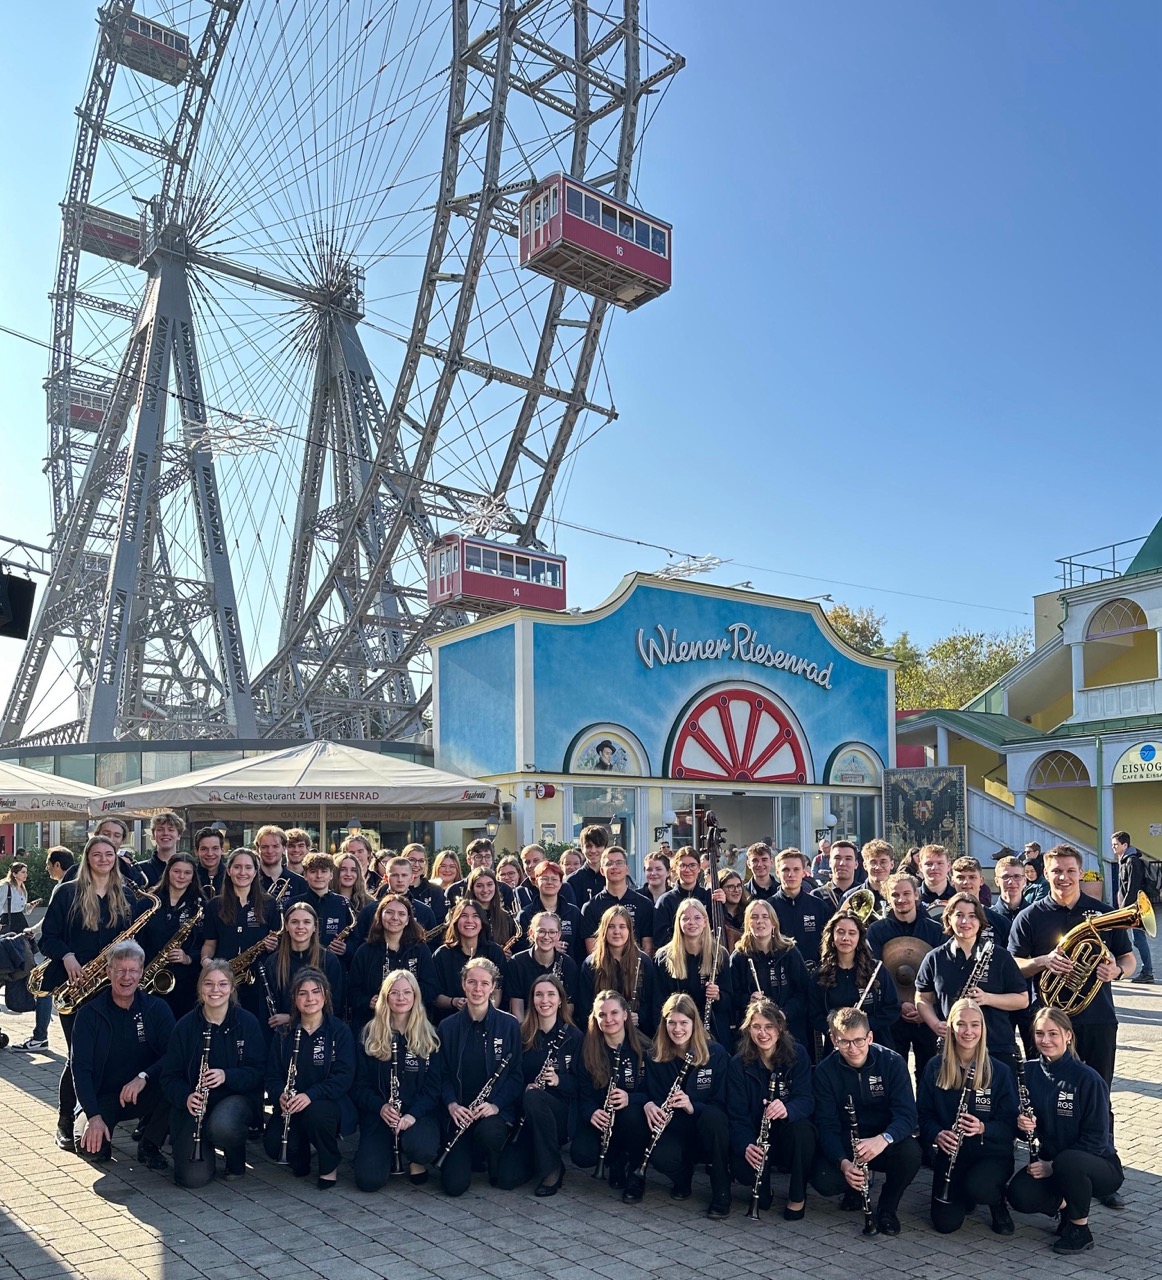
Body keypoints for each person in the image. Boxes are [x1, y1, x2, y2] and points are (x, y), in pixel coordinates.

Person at [39, 833, 146, 1151]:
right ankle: (65, 1122)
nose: (103, 859)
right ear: (87, 859)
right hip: (73, 986)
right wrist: (68, 955)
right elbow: (47, 938)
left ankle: (98, 1115)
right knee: (78, 1058)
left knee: (110, 1053)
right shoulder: (67, 892)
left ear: (116, 859)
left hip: (110, 988)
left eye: (109, 854)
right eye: (96, 854)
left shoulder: (124, 895)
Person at [1006, 1007, 1124, 1253]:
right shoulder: (1027, 1072)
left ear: (1068, 1036)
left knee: (1070, 1162)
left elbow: (1097, 1140)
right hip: (1055, 1163)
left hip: (1097, 1165)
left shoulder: (1088, 1078)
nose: (1045, 1040)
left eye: (1053, 1033)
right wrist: (1021, 1126)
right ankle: (1068, 1208)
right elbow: (1026, 1133)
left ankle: (1080, 1229)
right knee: (1019, 1194)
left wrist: (1052, 1166)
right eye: (1039, 1034)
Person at [810, 1006, 922, 1235]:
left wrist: (883, 1139)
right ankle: (852, 1188)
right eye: (844, 1042)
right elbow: (826, 1125)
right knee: (824, 1181)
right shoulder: (824, 1072)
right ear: (833, 1040)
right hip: (847, 1143)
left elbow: (907, 1116)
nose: (853, 1049)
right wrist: (843, 1163)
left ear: (870, 1037)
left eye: (859, 1041)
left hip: (882, 1141)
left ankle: (887, 1208)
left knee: (911, 1153)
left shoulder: (893, 1063)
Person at [69, 940, 175, 1169]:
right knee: (91, 1151)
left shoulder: (156, 1008)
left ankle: (150, 1145)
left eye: (133, 970)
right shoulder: (89, 1014)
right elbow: (81, 1070)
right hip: (102, 1097)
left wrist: (144, 1076)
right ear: (108, 972)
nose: (127, 977)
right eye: (120, 970)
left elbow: (174, 1055)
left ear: (141, 972)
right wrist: (94, 1116)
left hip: (143, 1092)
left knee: (175, 1084)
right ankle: (92, 1125)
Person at [917, 997, 1018, 1235]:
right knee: (945, 1225)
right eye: (961, 1024)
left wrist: (984, 1128)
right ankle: (964, 1191)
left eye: (975, 1024)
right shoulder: (934, 1067)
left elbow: (1010, 1125)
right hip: (953, 1155)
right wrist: (937, 1134)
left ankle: (996, 1201)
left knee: (980, 1188)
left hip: (991, 1154)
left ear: (983, 1029)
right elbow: (923, 1115)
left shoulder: (1000, 1071)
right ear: (951, 1027)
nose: (968, 1031)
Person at [161, 959, 265, 1187]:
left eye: (222, 984)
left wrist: (227, 1076)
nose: (215, 990)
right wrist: (186, 1097)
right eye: (208, 984)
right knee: (192, 1179)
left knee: (223, 1126)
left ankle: (234, 1155)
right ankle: (204, 1145)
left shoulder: (247, 1023)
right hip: (194, 1105)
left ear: (232, 988)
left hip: (235, 1101)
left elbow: (258, 1073)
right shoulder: (185, 1027)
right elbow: (169, 1078)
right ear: (200, 989)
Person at [633, 992, 731, 1216]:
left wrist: (693, 1105)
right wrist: (650, 1103)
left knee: (714, 1119)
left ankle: (721, 1190)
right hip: (675, 1127)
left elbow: (723, 1101)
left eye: (684, 1023)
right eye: (672, 1023)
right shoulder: (655, 1055)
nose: (677, 1029)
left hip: (706, 1126)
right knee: (660, 1155)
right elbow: (652, 1093)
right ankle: (682, 1176)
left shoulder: (715, 1053)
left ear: (694, 1023)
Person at [915, 892, 1028, 1078]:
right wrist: (935, 1024)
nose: (965, 921)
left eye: (972, 916)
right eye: (959, 915)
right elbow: (922, 998)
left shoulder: (999, 956)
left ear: (980, 921)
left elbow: (1022, 1000)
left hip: (995, 1045)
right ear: (949, 919)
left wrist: (987, 998)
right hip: (953, 1047)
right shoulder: (935, 958)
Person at [436, 957, 523, 1197]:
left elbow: (516, 1076)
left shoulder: (509, 1024)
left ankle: (491, 1152)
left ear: (493, 986)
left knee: (491, 1135)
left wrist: (495, 1105)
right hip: (460, 1114)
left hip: (491, 1113)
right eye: (472, 982)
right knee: (454, 1186)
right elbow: (441, 1075)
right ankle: (471, 1153)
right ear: (463, 984)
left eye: (484, 983)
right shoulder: (447, 1026)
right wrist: (452, 1104)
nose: (478, 988)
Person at [264, 967, 354, 1186]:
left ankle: (329, 1164)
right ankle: (304, 1146)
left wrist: (310, 1095)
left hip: (327, 1105)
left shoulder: (339, 1031)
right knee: (274, 1145)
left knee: (317, 1115)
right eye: (303, 993)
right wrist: (280, 1096)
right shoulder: (285, 1033)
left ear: (325, 996)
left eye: (316, 992)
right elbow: (272, 1077)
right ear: (295, 999)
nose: (310, 998)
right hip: (292, 1107)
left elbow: (343, 1077)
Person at [352, 969, 442, 1190]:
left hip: (417, 1115)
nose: (401, 998)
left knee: (422, 1149)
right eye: (394, 993)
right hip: (380, 1115)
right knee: (368, 1181)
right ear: (385, 997)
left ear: (415, 996)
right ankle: (387, 1150)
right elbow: (358, 1086)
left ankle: (413, 1157)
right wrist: (381, 1107)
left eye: (407, 992)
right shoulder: (368, 1034)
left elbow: (434, 1088)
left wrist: (412, 1115)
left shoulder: (430, 1035)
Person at [727, 997, 815, 1219]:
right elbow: (737, 1115)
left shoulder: (798, 1055)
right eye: (756, 1027)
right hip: (756, 1135)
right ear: (748, 1029)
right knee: (748, 1179)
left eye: (769, 1027)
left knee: (803, 1130)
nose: (763, 1034)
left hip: (787, 1134)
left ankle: (797, 1195)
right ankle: (764, 1187)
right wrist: (746, 1144)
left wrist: (788, 1109)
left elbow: (806, 1099)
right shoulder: (738, 1064)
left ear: (780, 1028)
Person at [502, 972, 582, 1196]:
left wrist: (558, 1080)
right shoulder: (522, 1035)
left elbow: (582, 1085)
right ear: (532, 1000)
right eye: (538, 995)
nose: (544, 1000)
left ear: (560, 1000)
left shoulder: (573, 1036)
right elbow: (510, 1077)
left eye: (550, 994)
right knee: (505, 1179)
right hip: (526, 1116)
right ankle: (541, 1159)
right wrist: (524, 1088)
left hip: (561, 1115)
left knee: (535, 1097)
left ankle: (553, 1169)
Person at [867, 872, 943, 1088]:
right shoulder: (877, 931)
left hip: (928, 1014)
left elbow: (942, 974)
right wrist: (899, 1005)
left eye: (907, 893)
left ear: (917, 895)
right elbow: (873, 974)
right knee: (893, 1072)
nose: (901, 899)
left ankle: (926, 1118)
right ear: (888, 898)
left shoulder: (935, 930)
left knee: (930, 1071)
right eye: (895, 895)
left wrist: (925, 1009)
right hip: (891, 1014)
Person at [572, 989, 649, 1197]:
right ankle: (615, 1159)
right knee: (581, 1154)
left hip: (633, 1121)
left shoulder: (644, 1048)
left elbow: (655, 1092)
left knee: (632, 1114)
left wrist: (630, 1098)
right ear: (595, 1019)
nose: (609, 1019)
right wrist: (591, 1113)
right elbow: (584, 1093)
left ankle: (635, 1172)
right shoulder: (588, 1049)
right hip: (603, 1119)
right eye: (602, 1015)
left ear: (625, 1014)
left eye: (614, 1013)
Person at [199, 847, 282, 1026]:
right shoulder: (215, 905)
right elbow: (209, 943)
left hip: (259, 982)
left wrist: (273, 944)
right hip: (224, 980)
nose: (242, 872)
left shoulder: (269, 904)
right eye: (237, 867)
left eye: (248, 867)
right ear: (228, 871)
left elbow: (279, 944)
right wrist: (206, 960)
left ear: (255, 872)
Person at [811, 911, 899, 1054]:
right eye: (840, 932)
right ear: (832, 936)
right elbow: (815, 1015)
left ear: (860, 938)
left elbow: (893, 1008)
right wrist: (840, 1031)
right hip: (838, 1047)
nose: (845, 938)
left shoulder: (876, 970)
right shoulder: (820, 975)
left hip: (876, 1046)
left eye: (852, 933)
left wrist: (862, 1027)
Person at [348, 893, 438, 1033]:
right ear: (380, 916)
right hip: (373, 1026)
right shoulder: (365, 951)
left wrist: (406, 997)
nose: (395, 918)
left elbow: (432, 989)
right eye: (389, 912)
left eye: (401, 914)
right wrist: (368, 1002)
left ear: (408, 920)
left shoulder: (420, 950)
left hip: (412, 1026)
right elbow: (352, 992)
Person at [729, 898, 811, 1046]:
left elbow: (803, 992)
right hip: (754, 1035)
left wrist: (784, 1014)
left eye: (765, 916)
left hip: (789, 1032)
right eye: (754, 917)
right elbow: (732, 995)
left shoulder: (789, 952)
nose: (760, 921)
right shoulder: (739, 956)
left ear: (774, 923)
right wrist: (748, 1000)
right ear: (748, 924)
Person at [653, 898, 733, 1047]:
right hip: (676, 1032)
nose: (692, 922)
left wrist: (718, 996)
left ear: (705, 921)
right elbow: (657, 1002)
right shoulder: (664, 957)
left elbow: (729, 1003)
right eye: (686, 918)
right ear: (678, 922)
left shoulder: (719, 954)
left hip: (710, 1033)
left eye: (697, 918)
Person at [259, 903, 346, 1039]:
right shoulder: (273, 962)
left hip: (320, 1035)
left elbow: (335, 1006)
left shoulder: (329, 961)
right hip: (282, 1037)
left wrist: (292, 1019)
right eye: (294, 922)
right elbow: (266, 1011)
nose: (300, 927)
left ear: (314, 927)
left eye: (307, 922)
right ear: (286, 927)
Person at [138, 851, 206, 1021]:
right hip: (148, 976)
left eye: (187, 872)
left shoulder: (201, 906)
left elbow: (209, 942)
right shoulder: (149, 902)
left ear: (193, 877)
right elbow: (136, 938)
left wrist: (189, 958)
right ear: (168, 872)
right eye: (177, 871)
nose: (181, 876)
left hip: (185, 982)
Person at [577, 905, 657, 1037]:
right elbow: (584, 1008)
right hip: (601, 1034)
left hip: (637, 1034)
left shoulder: (644, 962)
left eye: (622, 926)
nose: (616, 931)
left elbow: (651, 1002)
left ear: (629, 930)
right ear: (604, 930)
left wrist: (639, 1016)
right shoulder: (591, 964)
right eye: (611, 926)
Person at [431, 899, 507, 1021]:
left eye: (475, 916)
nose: (469, 921)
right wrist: (454, 1002)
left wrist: (482, 1012)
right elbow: (434, 996)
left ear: (482, 922)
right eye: (464, 916)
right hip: (450, 1021)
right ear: (455, 921)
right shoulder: (442, 954)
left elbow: (498, 990)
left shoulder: (495, 952)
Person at [772, 846, 834, 975]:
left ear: (803, 872)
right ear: (777, 873)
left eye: (796, 869)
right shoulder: (768, 908)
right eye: (785, 869)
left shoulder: (819, 906)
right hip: (780, 978)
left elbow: (829, 944)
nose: (791, 874)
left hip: (814, 976)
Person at [506, 911, 579, 1020]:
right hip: (527, 1027)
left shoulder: (568, 965)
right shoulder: (516, 962)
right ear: (531, 933)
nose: (546, 936)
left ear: (559, 935)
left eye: (552, 932)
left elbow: (568, 1006)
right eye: (541, 931)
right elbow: (517, 1007)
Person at [581, 846, 654, 955]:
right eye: (609, 863)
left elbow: (647, 946)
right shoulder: (590, 907)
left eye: (619, 863)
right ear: (602, 870)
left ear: (627, 869)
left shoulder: (645, 904)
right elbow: (593, 952)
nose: (614, 867)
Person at [515, 859, 585, 961]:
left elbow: (580, 949)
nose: (549, 882)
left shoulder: (574, 913)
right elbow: (519, 948)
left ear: (561, 883)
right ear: (536, 882)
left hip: (568, 971)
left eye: (554, 879)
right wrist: (547, 946)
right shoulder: (525, 914)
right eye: (544, 879)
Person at [652, 846, 715, 949]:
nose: (688, 870)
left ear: (699, 868)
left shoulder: (709, 896)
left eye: (692, 865)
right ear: (676, 868)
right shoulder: (665, 901)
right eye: (683, 866)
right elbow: (661, 939)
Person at [1112, 831, 1154, 983]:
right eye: (1112, 845)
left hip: (1133, 909)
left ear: (1125, 845)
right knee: (1130, 939)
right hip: (1128, 908)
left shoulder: (1132, 861)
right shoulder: (1124, 860)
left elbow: (1133, 888)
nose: (1113, 847)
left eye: (1115, 844)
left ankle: (1147, 972)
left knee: (1138, 939)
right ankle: (1121, 968)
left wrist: (1125, 910)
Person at [299, 853, 354, 954]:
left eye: (324, 871)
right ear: (305, 875)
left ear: (331, 875)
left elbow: (355, 938)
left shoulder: (343, 903)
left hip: (334, 964)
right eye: (313, 871)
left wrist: (346, 948)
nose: (319, 876)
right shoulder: (294, 904)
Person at [466, 865, 518, 951]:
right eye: (479, 886)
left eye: (489, 884)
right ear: (472, 888)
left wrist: (509, 955)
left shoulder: (506, 917)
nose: (485, 890)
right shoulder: (463, 917)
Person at [255, 825, 310, 907]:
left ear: (284, 848)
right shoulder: (249, 881)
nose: (270, 851)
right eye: (264, 847)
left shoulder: (302, 883)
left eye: (275, 846)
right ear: (258, 849)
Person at [93, 816, 147, 889]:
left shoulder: (132, 873)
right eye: (106, 834)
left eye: (117, 835)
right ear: (96, 835)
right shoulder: (75, 870)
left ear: (122, 840)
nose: (111, 839)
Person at [846, 839, 895, 916]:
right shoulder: (850, 897)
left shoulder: (901, 895)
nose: (878, 867)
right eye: (873, 862)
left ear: (892, 864)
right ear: (865, 865)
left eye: (883, 862)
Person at [403, 843, 448, 927]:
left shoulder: (435, 891)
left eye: (421, 861)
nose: (416, 865)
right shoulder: (391, 888)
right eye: (412, 860)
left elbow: (439, 923)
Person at [136, 811, 184, 889]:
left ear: (179, 835)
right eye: (160, 829)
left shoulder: (190, 869)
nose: (165, 833)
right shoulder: (139, 870)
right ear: (153, 835)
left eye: (171, 830)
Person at [566, 825, 608, 907]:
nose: (593, 850)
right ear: (582, 848)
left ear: (605, 847)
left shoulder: (612, 878)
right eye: (588, 846)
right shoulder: (571, 881)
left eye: (598, 846)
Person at [815, 840, 859, 910]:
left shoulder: (864, 894)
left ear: (856, 864)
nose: (842, 863)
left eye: (848, 859)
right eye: (837, 858)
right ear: (830, 863)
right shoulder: (816, 896)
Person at [1, 860, 38, 932]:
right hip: (8, 920)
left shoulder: (23, 888)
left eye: (26, 872)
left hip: (20, 920)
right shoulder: (6, 887)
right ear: (14, 874)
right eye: (23, 872)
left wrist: (30, 906)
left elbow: (23, 910)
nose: (25, 874)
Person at [918, 845, 955, 914]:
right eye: (929, 864)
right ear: (920, 867)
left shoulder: (958, 897)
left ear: (948, 866)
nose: (934, 868)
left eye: (940, 863)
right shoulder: (913, 897)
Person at [193, 827, 227, 898]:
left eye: (215, 848)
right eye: (204, 849)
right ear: (196, 851)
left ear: (222, 850)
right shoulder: (189, 877)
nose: (210, 853)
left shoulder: (232, 877)